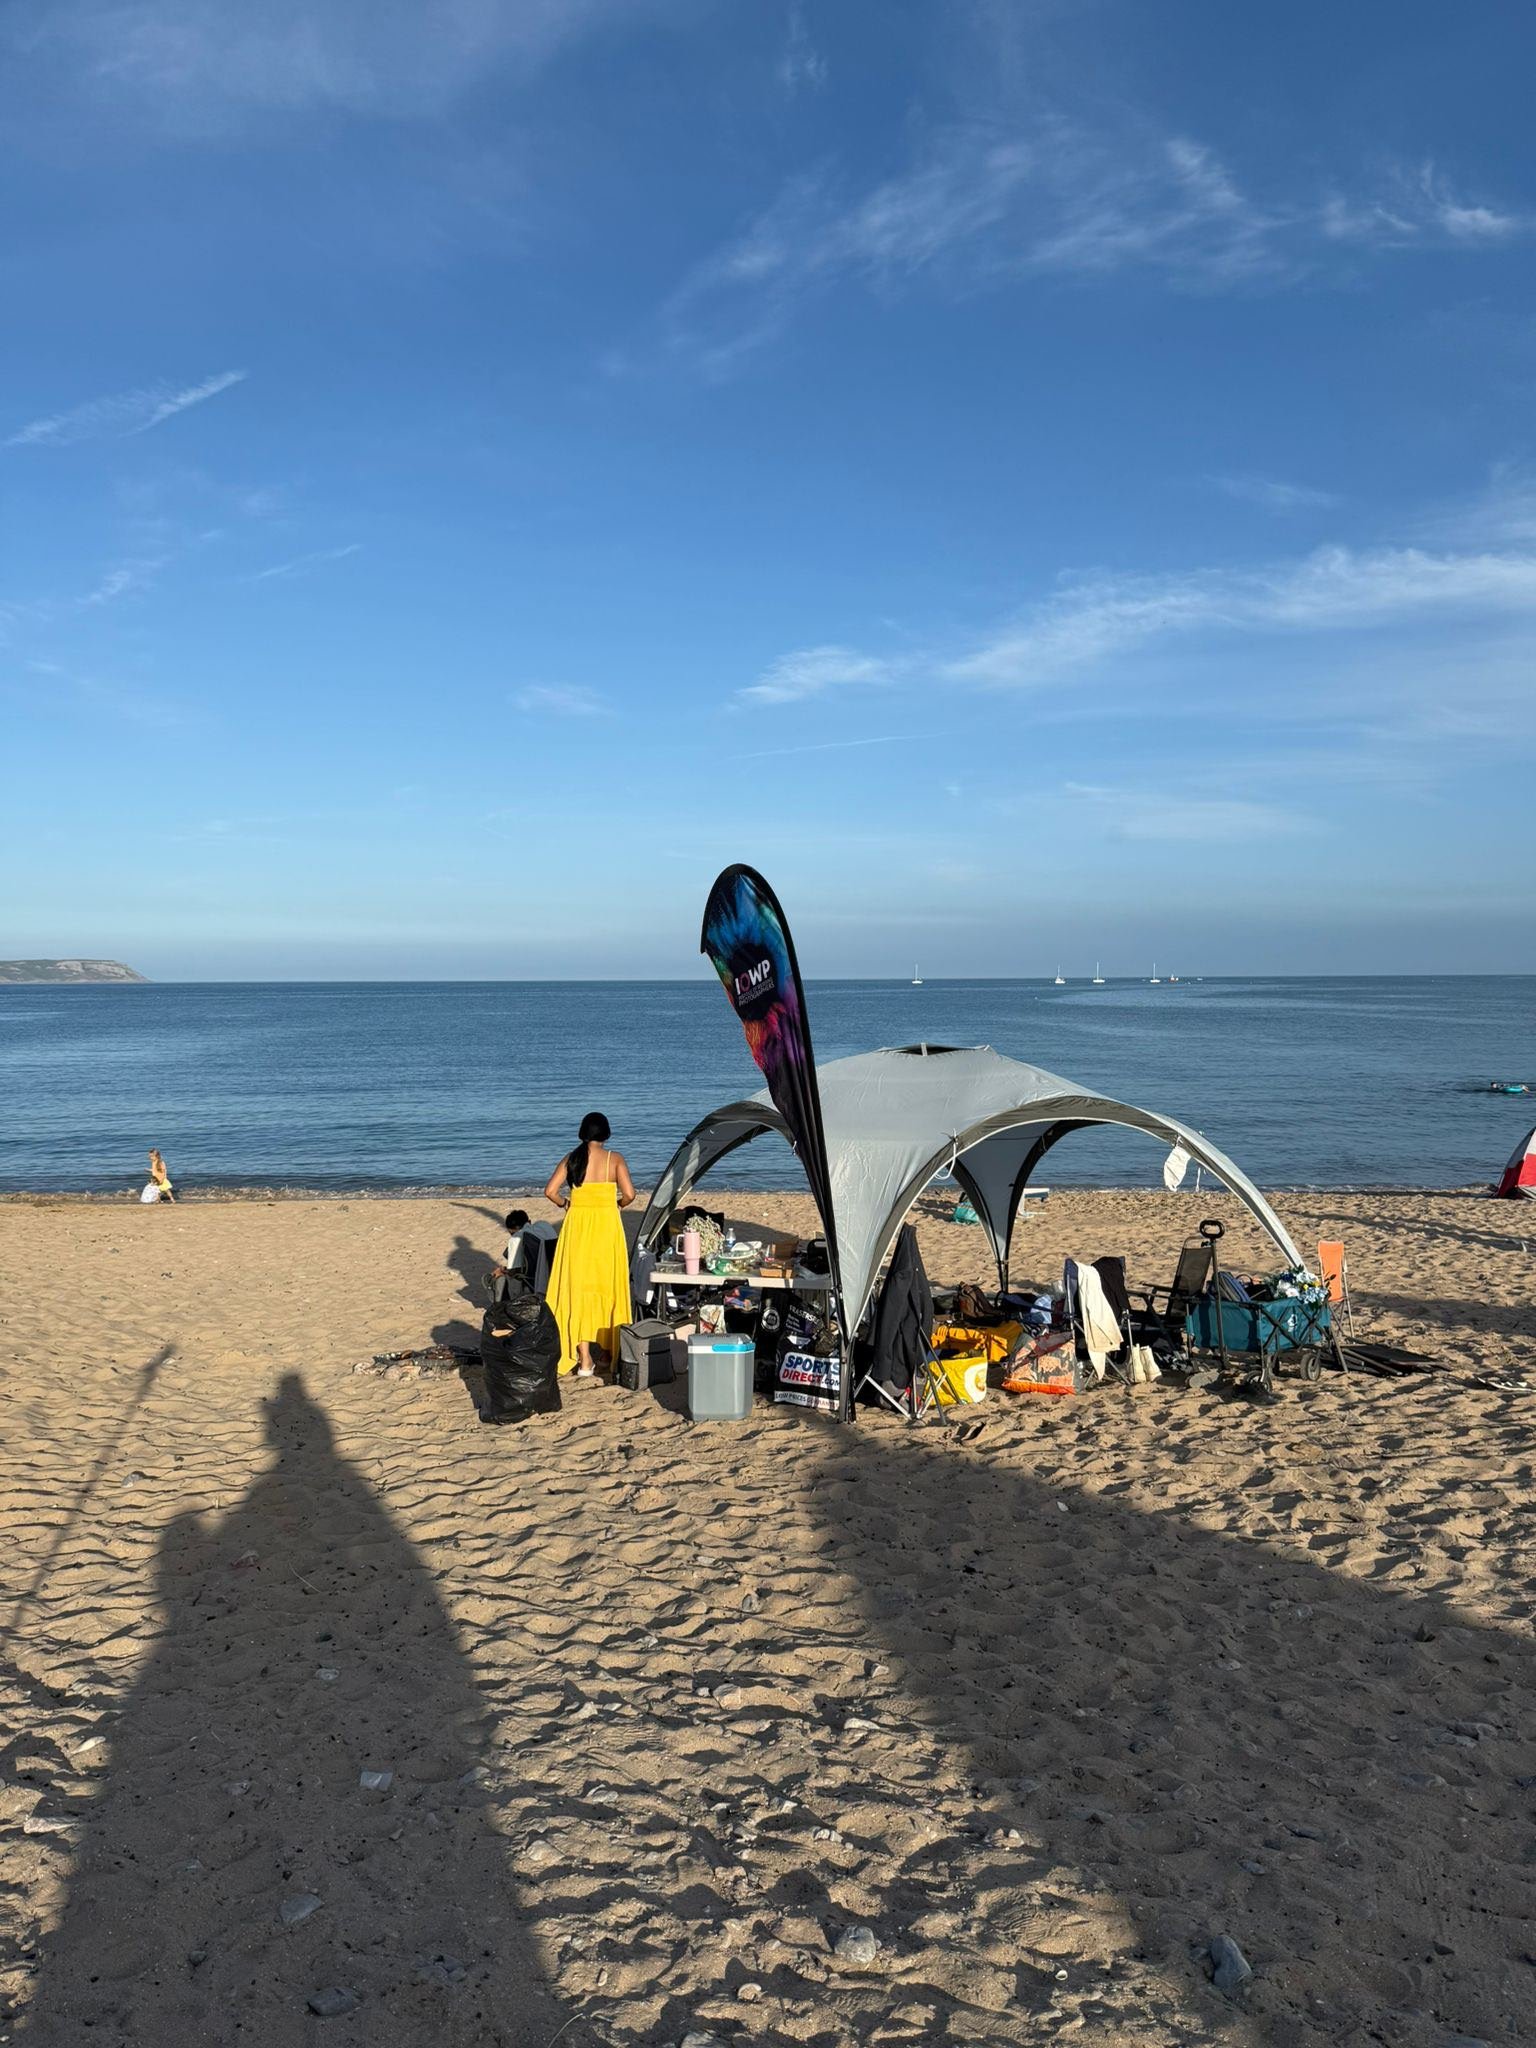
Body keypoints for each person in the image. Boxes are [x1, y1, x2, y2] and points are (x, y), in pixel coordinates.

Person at [543, 1112, 633, 1378]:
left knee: (577, 1289)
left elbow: (550, 1191)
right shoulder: (614, 1159)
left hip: (577, 1229)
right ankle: (607, 1353)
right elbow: (630, 1194)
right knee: (608, 1287)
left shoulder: (573, 1158)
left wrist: (566, 1204)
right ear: (606, 1134)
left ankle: (584, 1360)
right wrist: (617, 1205)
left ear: (583, 1132)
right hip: (606, 1228)